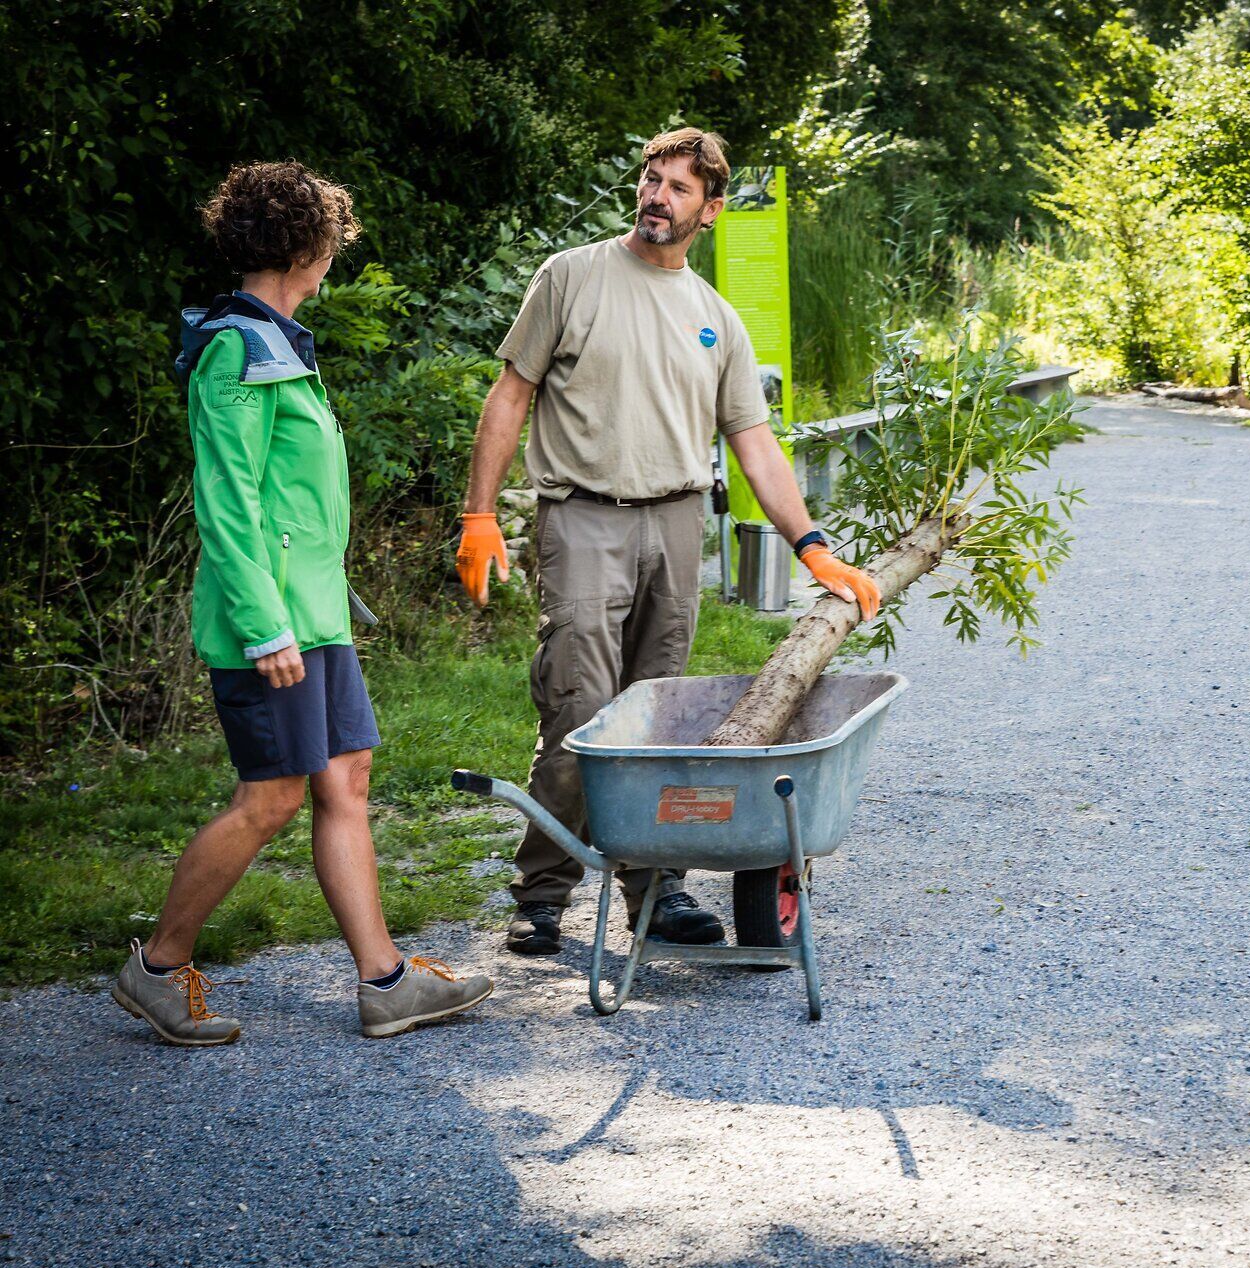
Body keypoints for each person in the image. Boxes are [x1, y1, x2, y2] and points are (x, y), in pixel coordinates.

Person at [457, 128, 880, 957]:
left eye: (678, 188)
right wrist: (479, 515)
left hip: (678, 523)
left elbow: (754, 443)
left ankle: (657, 885)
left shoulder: (715, 318)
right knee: (580, 707)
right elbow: (510, 398)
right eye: (651, 180)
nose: (657, 197)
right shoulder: (571, 278)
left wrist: (812, 545)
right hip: (583, 515)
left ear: (710, 210)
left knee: (663, 716)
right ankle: (542, 894)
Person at [112, 161, 493, 1044]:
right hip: (272, 623)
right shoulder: (234, 352)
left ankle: (385, 980)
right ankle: (157, 968)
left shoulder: (277, 343)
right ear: (310, 248)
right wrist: (263, 624)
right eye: (332, 246)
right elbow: (229, 500)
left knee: (345, 780)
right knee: (272, 797)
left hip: (314, 615)